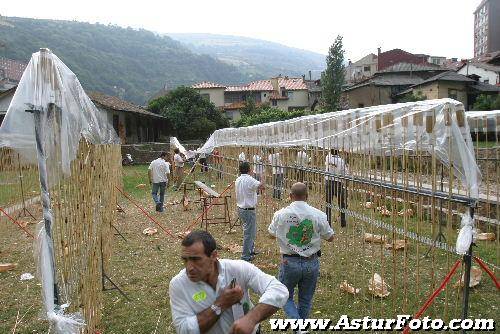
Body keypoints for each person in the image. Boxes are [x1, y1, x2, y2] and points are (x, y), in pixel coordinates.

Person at [169, 230, 289, 334]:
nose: (189, 267)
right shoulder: (178, 285)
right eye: (185, 260)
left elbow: (278, 289)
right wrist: (221, 304)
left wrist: (251, 318)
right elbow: (184, 329)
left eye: (196, 259)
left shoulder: (238, 269)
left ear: (214, 255)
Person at [268, 182, 334, 330]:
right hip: (311, 262)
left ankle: (299, 328)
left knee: (284, 296)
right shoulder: (318, 214)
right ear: (307, 196)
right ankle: (301, 328)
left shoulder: (280, 214)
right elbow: (330, 237)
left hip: (289, 262)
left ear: (290, 196)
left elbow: (271, 234)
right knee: (305, 299)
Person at [235, 161, 265, 262]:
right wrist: (262, 176)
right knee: (249, 233)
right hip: (248, 210)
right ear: (249, 170)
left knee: (249, 231)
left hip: (241, 208)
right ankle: (245, 256)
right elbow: (262, 186)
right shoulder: (250, 179)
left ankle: (250, 250)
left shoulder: (238, 179)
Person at [325, 149, 348, 227]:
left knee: (328, 203)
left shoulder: (327, 158)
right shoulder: (341, 161)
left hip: (328, 182)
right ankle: (343, 222)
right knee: (341, 203)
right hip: (338, 183)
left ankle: (328, 222)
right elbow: (346, 173)